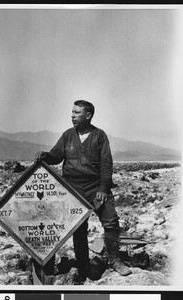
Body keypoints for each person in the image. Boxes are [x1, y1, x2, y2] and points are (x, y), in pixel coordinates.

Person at [36, 100, 132, 284]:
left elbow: (106, 163)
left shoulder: (99, 136)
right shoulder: (67, 135)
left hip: (96, 187)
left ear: (88, 115)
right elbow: (56, 156)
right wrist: (46, 156)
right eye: (72, 112)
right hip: (73, 188)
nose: (72, 115)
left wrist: (103, 189)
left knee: (111, 221)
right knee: (78, 229)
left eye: (77, 112)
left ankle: (114, 260)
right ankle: (82, 265)